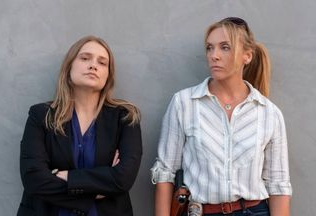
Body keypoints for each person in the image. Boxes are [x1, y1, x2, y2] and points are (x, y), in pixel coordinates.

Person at [151, 17, 292, 216]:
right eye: (210, 48)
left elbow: (278, 185)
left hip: (254, 211)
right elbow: (165, 173)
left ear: (247, 56)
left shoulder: (269, 113)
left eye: (225, 47)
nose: (214, 55)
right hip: (200, 211)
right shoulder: (184, 103)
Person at [17, 35, 142, 216]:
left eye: (102, 63)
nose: (93, 65)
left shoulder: (126, 117)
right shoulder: (41, 115)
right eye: (85, 58)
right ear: (69, 67)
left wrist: (66, 177)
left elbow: (123, 178)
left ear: (108, 75)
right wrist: (97, 189)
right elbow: (33, 178)